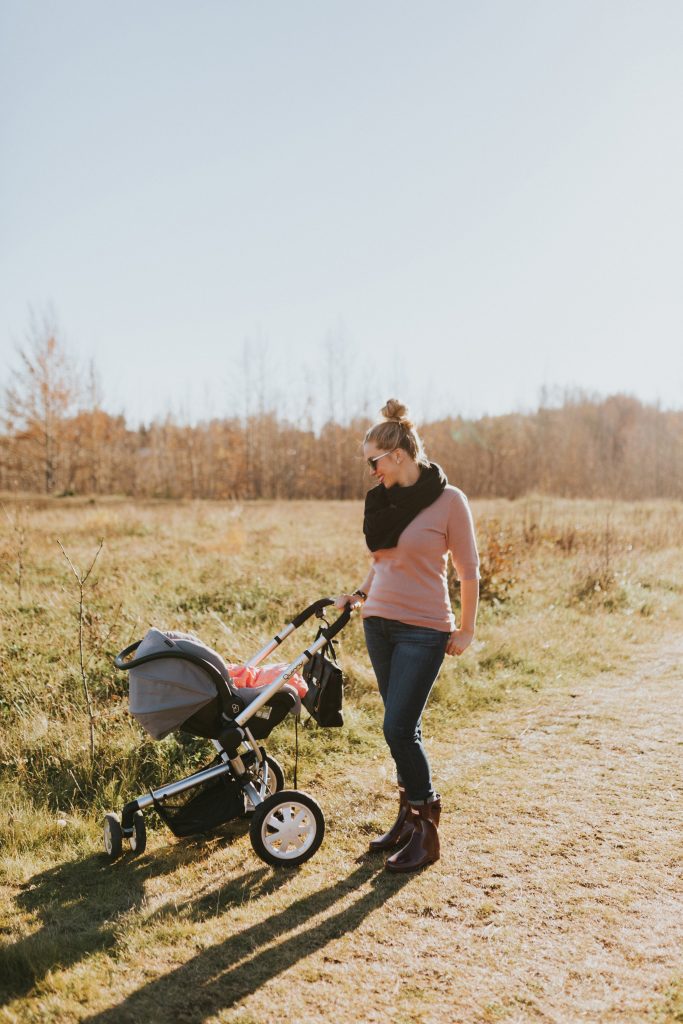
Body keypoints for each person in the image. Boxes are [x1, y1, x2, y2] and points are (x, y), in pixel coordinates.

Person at [336, 399, 479, 873]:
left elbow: (469, 571)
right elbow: (384, 561)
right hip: (378, 623)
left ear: (397, 454)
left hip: (424, 629)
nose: (371, 472)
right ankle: (406, 819)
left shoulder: (449, 500)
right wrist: (358, 594)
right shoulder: (384, 501)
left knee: (397, 727)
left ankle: (427, 827)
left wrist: (467, 627)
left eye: (374, 462)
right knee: (404, 728)